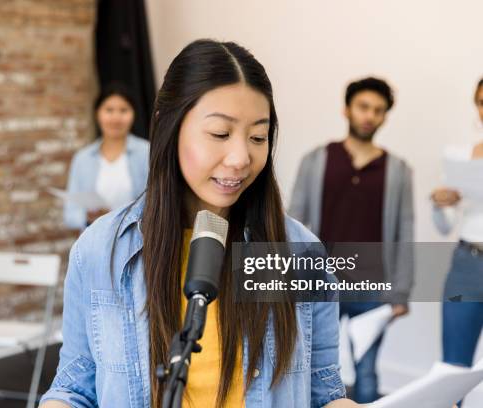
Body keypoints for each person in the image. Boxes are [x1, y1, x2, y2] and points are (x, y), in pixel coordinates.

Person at [39, 39, 366, 408]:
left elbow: (325, 395)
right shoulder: (100, 250)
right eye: (220, 134)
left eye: (258, 137)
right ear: (168, 126)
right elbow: (74, 390)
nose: (242, 158)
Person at [289, 77, 414, 403]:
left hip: (372, 289)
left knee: (367, 370)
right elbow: (294, 220)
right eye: (363, 107)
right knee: (311, 368)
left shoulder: (398, 170)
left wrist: (401, 291)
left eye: (378, 110)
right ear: (347, 109)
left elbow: (405, 230)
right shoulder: (316, 160)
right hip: (320, 284)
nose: (369, 115)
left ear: (385, 116)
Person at [431, 78, 483, 404]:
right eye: (481, 102)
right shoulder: (462, 157)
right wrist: (441, 204)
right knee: (453, 369)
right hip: (467, 263)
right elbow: (444, 226)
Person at [63, 83, 150, 230]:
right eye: (109, 110)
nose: (116, 118)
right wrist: (88, 217)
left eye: (123, 110)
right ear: (98, 114)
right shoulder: (83, 158)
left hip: (138, 241)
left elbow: (157, 205)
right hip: (94, 243)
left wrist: (118, 218)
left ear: (133, 114)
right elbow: (69, 214)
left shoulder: (147, 152)